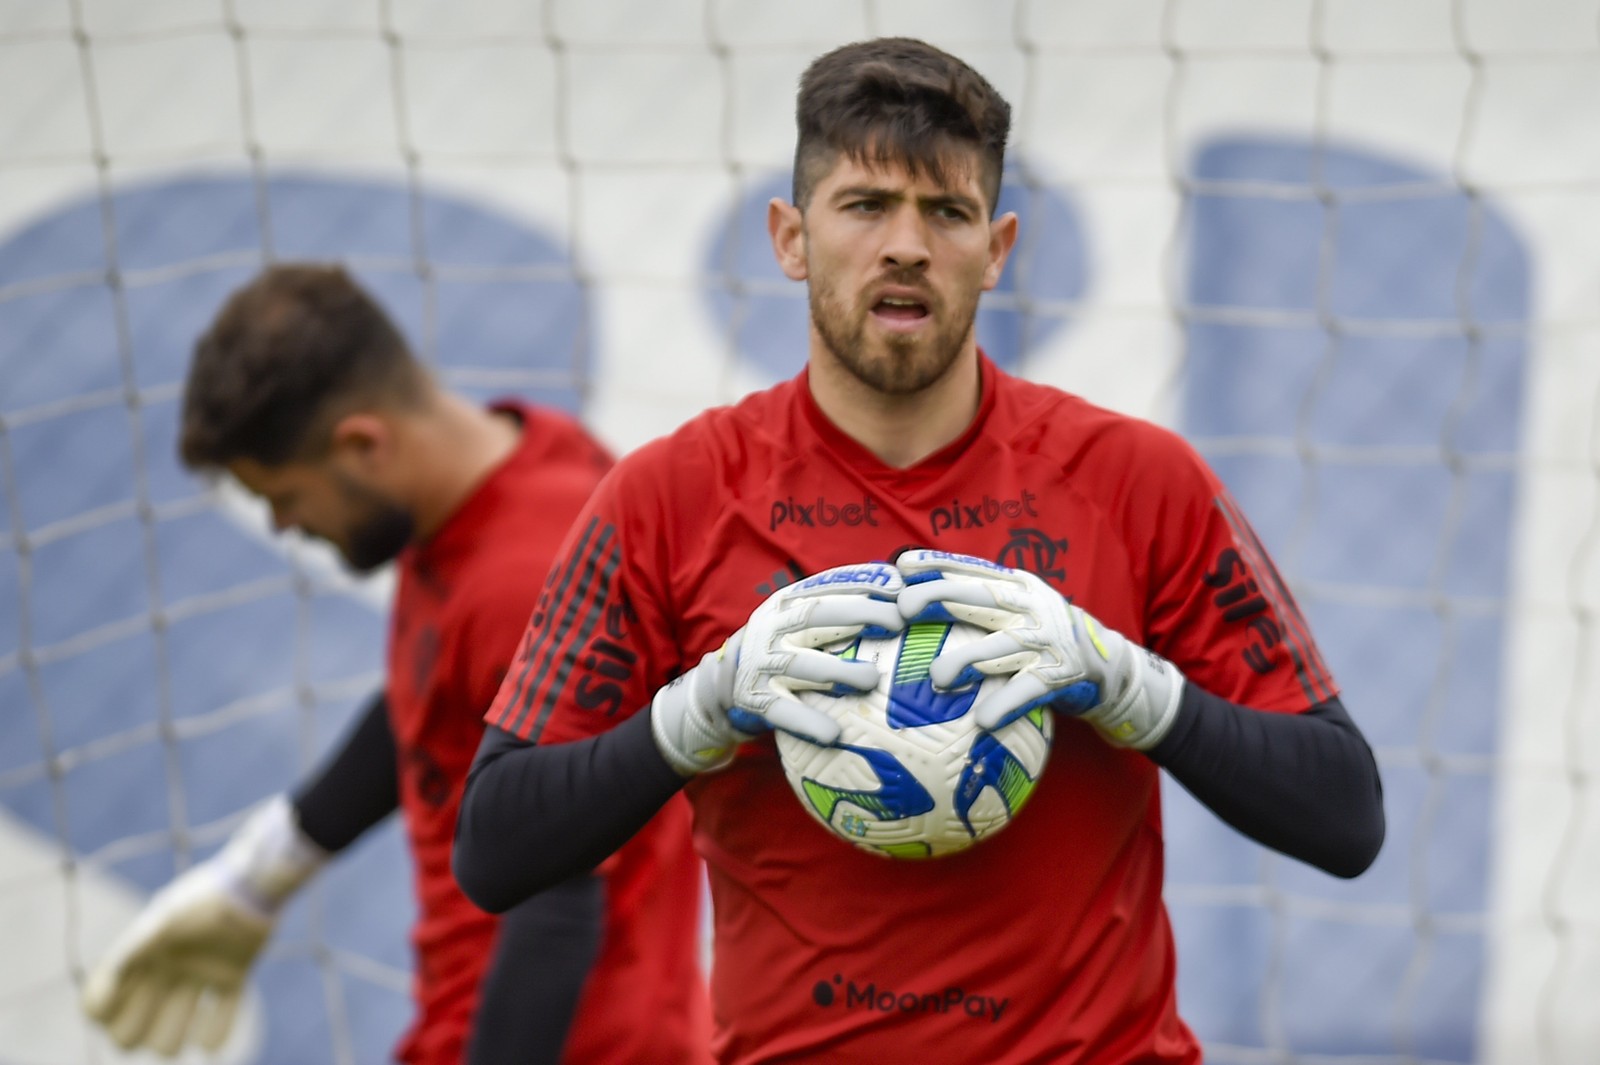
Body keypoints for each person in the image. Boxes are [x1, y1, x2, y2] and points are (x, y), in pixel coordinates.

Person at [454, 37, 1386, 1064]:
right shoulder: (666, 498)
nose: (906, 245)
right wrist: (698, 714)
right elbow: (495, 845)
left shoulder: (1137, 481)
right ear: (789, 236)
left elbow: (1343, 814)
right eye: (864, 206)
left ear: (997, 248)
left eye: (946, 212)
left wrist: (1126, 686)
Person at [79, 264, 711, 1064]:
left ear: (362, 444)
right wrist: (266, 868)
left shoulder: (520, 584)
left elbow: (558, 906)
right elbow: (451, 690)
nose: (279, 525)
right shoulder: (525, 466)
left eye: (282, 494)